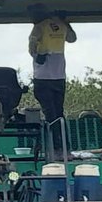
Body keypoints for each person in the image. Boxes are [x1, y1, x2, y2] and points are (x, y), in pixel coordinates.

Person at [29, 12, 77, 153]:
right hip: (59, 76)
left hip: (43, 77)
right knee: (58, 113)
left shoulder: (39, 27)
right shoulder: (62, 26)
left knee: (50, 114)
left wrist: (37, 56)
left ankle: (55, 148)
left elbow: (32, 47)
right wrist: (66, 22)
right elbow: (72, 38)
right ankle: (64, 146)